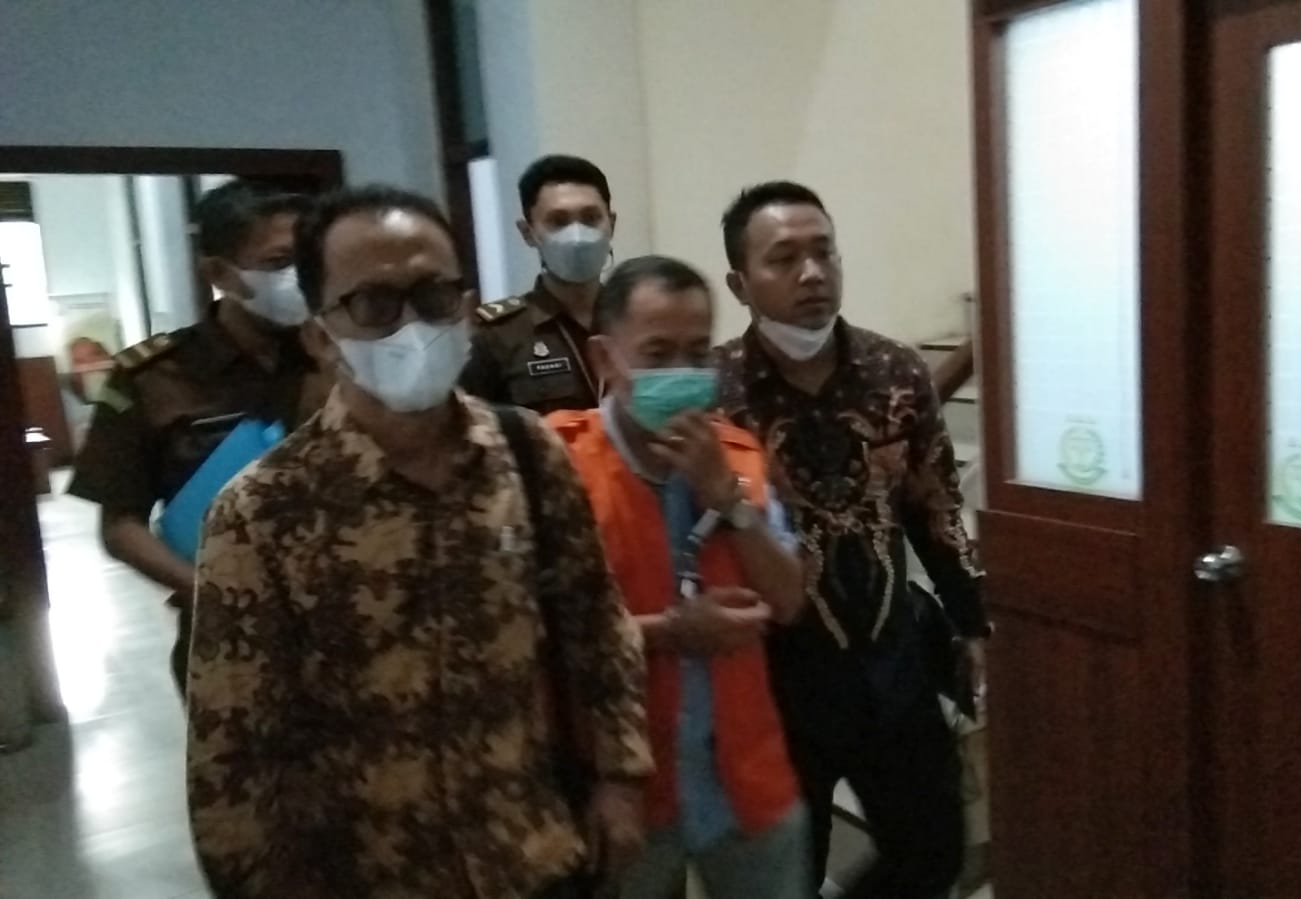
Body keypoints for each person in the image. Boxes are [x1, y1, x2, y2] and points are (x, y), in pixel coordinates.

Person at [185, 185, 653, 898]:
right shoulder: (261, 511)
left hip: (538, 855)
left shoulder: (528, 451)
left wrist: (621, 778)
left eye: (434, 296)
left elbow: (597, 624)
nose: (413, 325)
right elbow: (234, 754)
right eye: (374, 304)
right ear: (320, 335)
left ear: (465, 308)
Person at [713, 181, 990, 899]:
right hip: (774, 680)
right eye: (784, 259)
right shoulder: (715, 390)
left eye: (824, 252)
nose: (811, 273)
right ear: (740, 283)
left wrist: (971, 623)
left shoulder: (893, 371)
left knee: (933, 853)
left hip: (891, 659)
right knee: (784, 876)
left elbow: (936, 506)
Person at [547, 255, 811, 899]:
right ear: (606, 358)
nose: (681, 373)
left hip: (746, 784)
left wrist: (727, 499)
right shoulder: (556, 465)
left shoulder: (738, 455)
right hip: (623, 791)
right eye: (657, 353)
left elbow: (788, 601)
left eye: (697, 353)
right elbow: (531, 636)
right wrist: (669, 632)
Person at [67, 178, 327, 690]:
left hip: (348, 617)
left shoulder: (340, 353)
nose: (300, 277)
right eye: (279, 262)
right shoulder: (153, 377)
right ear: (218, 273)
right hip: (229, 638)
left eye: (309, 260)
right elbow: (120, 526)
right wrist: (210, 595)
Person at [461, 154, 616, 412]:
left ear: (611, 224)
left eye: (590, 218)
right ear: (528, 233)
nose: (577, 236)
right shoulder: (496, 335)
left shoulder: (634, 320)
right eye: (558, 221)